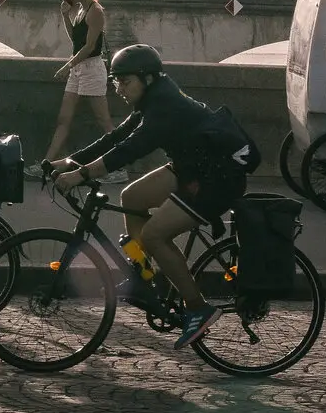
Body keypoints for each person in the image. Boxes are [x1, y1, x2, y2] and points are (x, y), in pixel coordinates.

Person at [46, 45, 247, 351]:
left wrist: (81, 175)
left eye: (125, 82)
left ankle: (197, 308)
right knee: (132, 196)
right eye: (116, 82)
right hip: (192, 169)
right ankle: (143, 274)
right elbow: (115, 139)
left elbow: (130, 150)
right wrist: (70, 161)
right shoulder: (153, 99)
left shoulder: (164, 107)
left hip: (215, 182)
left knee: (154, 235)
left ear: (148, 78)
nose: (120, 89)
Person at [44, 0, 113, 162]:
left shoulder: (96, 11)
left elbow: (90, 47)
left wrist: (67, 66)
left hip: (91, 68)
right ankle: (46, 163)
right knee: (63, 119)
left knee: (104, 121)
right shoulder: (81, 10)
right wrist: (65, 16)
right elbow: (76, 39)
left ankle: (118, 165)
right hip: (78, 68)